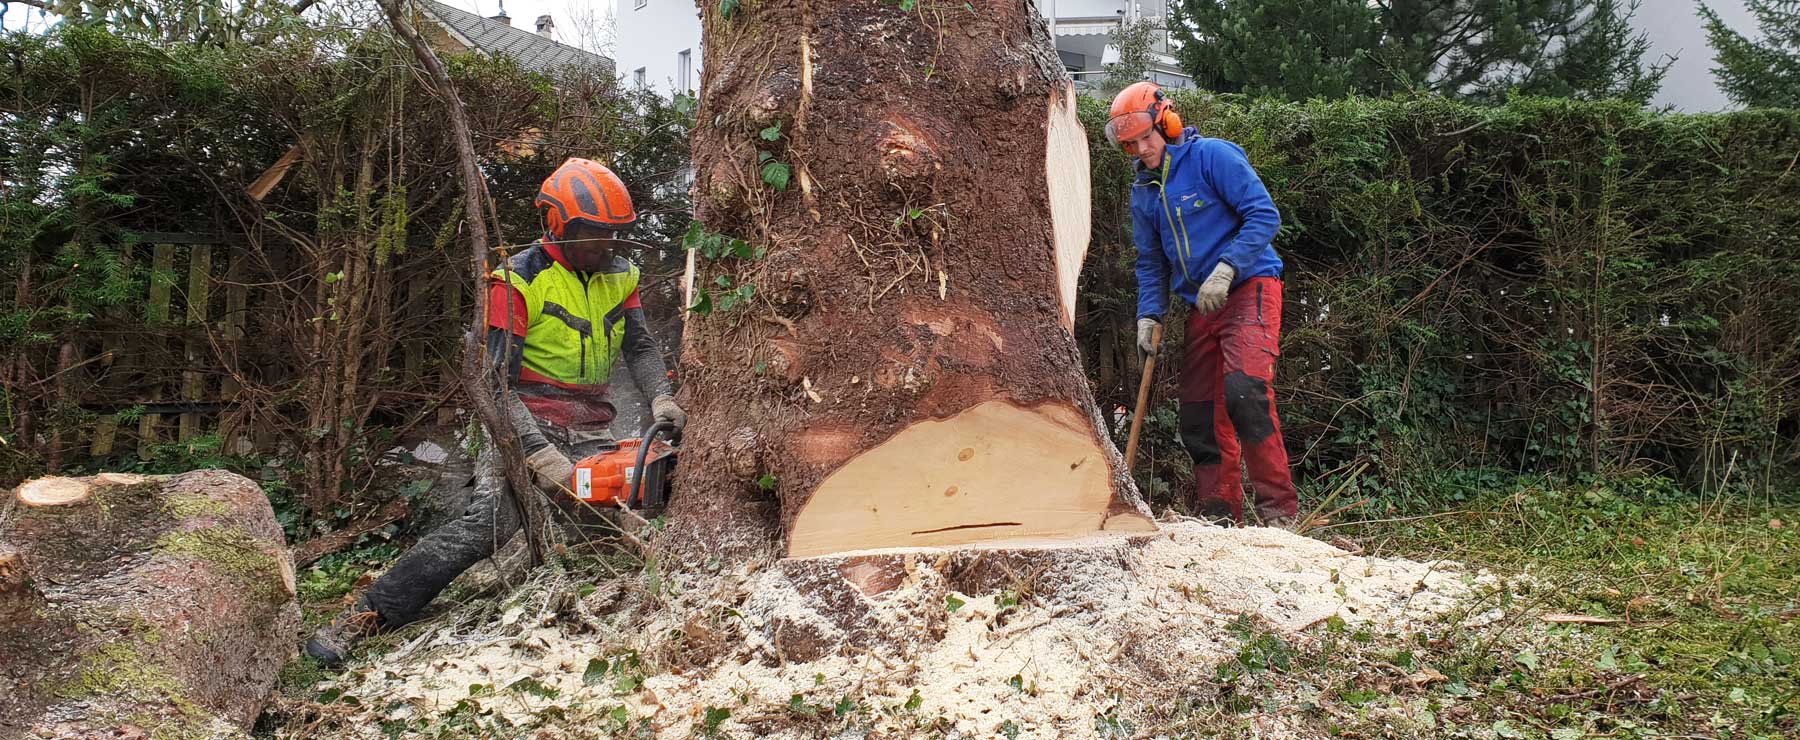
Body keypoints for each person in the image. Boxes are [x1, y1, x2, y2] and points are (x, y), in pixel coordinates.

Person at [305, 158, 686, 664]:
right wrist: (540, 457)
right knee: (491, 521)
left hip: (591, 422)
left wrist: (661, 396)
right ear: (558, 226)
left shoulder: (621, 274)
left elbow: (638, 347)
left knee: (635, 498)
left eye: (613, 236)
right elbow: (493, 385)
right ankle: (367, 614)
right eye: (594, 234)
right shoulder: (516, 281)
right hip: (523, 419)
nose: (605, 246)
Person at [1106, 82, 1297, 527]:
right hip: (1203, 306)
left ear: (1166, 122)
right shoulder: (1144, 192)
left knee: (1245, 394)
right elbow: (1151, 262)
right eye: (1130, 144)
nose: (1140, 150)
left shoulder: (1213, 157)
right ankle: (1220, 516)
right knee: (1197, 417)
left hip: (1250, 287)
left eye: (1145, 138)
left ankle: (1279, 516)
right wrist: (1148, 315)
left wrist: (1229, 266)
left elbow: (1264, 214)